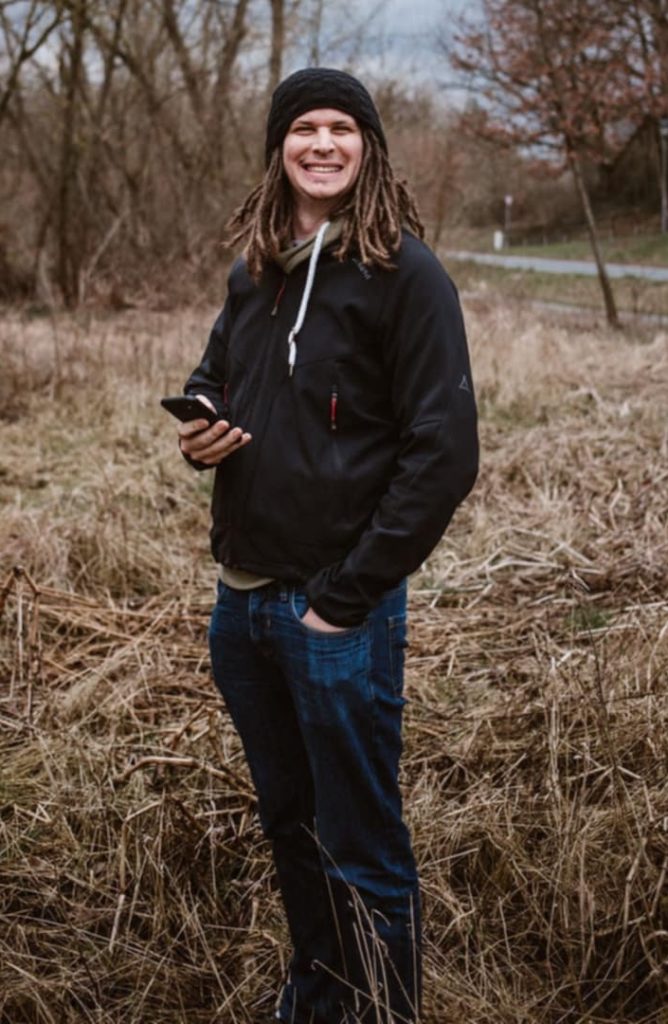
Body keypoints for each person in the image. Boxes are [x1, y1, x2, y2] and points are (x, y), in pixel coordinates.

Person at [177, 67, 478, 1024]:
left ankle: (382, 1010)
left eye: (341, 128)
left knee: (361, 845)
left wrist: (343, 600)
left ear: (368, 148)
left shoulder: (407, 276)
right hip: (242, 604)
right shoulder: (256, 269)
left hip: (335, 614)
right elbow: (214, 375)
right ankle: (318, 999)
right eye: (303, 127)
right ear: (279, 148)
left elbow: (445, 455)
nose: (321, 143)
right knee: (292, 829)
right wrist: (200, 428)